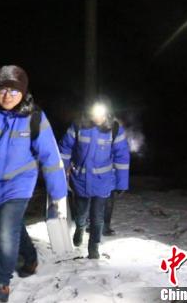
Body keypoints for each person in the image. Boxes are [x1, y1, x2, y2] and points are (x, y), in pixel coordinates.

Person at [0, 65, 68, 302]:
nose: (7, 96)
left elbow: (51, 157)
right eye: (3, 90)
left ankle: (2, 283)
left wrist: (58, 194)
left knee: (5, 231)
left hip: (20, 184)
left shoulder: (35, 116)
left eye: (14, 91)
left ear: (24, 92)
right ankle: (31, 257)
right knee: (13, 227)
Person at [58, 97, 130, 259]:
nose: (98, 117)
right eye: (94, 113)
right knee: (81, 213)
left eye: (102, 113)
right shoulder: (78, 125)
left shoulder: (115, 129)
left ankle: (93, 247)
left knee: (98, 217)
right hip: (80, 180)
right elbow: (65, 149)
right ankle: (80, 228)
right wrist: (61, 175)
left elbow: (122, 157)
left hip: (103, 182)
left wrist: (121, 183)